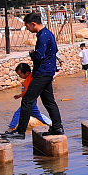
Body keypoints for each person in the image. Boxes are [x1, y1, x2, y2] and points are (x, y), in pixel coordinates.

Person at [5, 12, 64, 140]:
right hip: (48, 72)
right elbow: (55, 51)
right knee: (49, 102)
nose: (27, 29)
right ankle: (57, 128)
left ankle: (20, 132)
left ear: (33, 24)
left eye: (27, 27)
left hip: (42, 73)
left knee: (27, 101)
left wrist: (32, 53)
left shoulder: (43, 36)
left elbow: (39, 56)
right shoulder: (49, 34)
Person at [7, 62, 51, 132]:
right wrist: (20, 95)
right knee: (37, 115)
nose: (19, 76)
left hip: (30, 101)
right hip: (30, 101)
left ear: (27, 73)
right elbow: (26, 91)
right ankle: (50, 124)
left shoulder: (32, 78)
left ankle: (10, 129)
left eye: (20, 74)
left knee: (18, 113)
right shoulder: (27, 80)